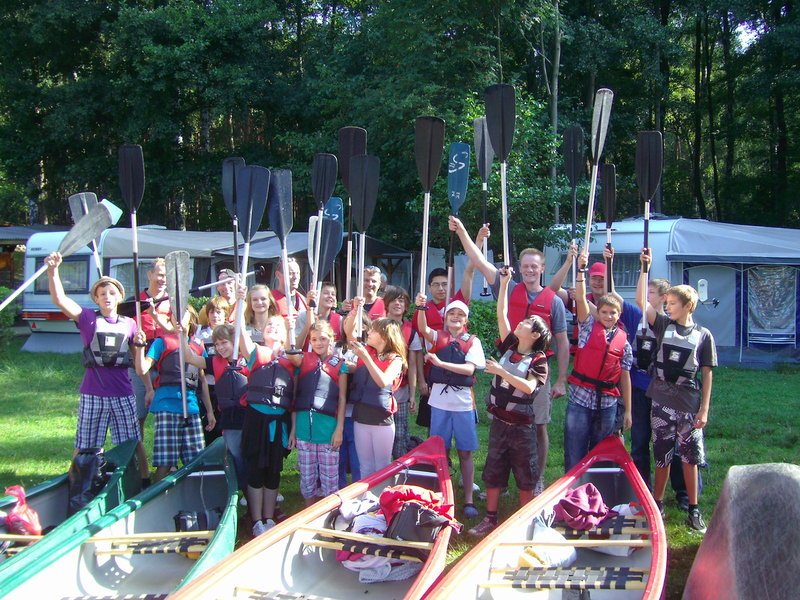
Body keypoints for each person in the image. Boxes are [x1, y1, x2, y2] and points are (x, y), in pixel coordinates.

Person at [450, 216, 568, 494]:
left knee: (538, 425)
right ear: (519, 268)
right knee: (502, 423)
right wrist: (463, 231)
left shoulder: (553, 301)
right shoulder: (508, 286)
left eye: (534, 266)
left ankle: (536, 479)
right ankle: (500, 482)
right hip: (509, 363)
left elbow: (563, 342)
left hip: (536, 370)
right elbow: (478, 260)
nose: (529, 270)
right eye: (525, 266)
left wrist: (562, 379)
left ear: (541, 269)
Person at [45, 252, 148, 484]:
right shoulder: (87, 318)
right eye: (102, 294)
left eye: (111, 293)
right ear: (96, 299)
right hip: (93, 394)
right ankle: (76, 485)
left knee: (132, 443)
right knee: (85, 444)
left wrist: (141, 347)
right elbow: (59, 299)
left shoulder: (131, 324)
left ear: (119, 297)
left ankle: (142, 481)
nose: (107, 297)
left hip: (123, 394)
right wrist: (53, 271)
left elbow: (140, 368)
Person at [639, 248, 717, 533]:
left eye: (672, 303)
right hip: (661, 401)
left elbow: (707, 374)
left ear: (688, 305)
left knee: (689, 457)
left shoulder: (704, 336)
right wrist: (645, 268)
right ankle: (657, 503)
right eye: (667, 302)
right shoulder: (662, 325)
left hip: (689, 405)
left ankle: (693, 509)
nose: (667, 306)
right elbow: (641, 301)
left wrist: (704, 410)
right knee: (661, 454)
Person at [469, 266, 551, 536]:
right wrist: (504, 284)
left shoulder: (539, 360)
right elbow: (501, 314)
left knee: (525, 475)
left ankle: (524, 523)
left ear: (535, 335)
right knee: (494, 470)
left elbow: (529, 387)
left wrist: (502, 372)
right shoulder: (510, 347)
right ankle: (490, 519)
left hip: (522, 428)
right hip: (499, 423)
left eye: (527, 323)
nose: (521, 323)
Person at [415, 294, 485, 519]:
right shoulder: (438, 336)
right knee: (440, 450)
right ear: (445, 318)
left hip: (463, 405)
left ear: (466, 320)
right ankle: (441, 493)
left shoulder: (472, 341)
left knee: (465, 451)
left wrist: (440, 363)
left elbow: (470, 369)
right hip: (439, 403)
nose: (455, 317)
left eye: (460, 314)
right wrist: (421, 308)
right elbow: (423, 328)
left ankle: (468, 498)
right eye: (452, 313)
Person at [564, 251, 633, 471]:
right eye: (604, 312)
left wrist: (628, 410)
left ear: (619, 315)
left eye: (613, 313)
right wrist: (581, 270)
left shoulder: (624, 343)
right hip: (581, 399)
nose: (608, 316)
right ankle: (572, 487)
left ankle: (597, 486)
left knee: (600, 453)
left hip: (607, 403)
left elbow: (625, 377)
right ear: (598, 312)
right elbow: (581, 299)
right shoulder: (586, 326)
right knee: (574, 450)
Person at [134, 306, 215, 483]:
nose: (178, 319)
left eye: (182, 314)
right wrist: (139, 347)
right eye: (175, 315)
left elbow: (202, 380)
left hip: (191, 407)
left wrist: (209, 411)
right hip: (167, 406)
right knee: (165, 461)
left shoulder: (198, 345)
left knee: (196, 461)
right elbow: (141, 369)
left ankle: (194, 497)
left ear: (191, 318)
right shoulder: (161, 342)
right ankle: (156, 495)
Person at [237, 311, 295, 536]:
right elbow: (241, 336)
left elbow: (295, 397)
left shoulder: (292, 358)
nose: (273, 327)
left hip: (279, 422)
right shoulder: (256, 352)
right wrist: (240, 305)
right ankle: (257, 520)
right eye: (269, 324)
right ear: (262, 332)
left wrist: (292, 430)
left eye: (278, 326)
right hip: (256, 420)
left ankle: (269, 518)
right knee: (256, 469)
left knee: (273, 470)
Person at [287, 320, 347, 506]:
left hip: (327, 432)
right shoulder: (303, 360)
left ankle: (330, 517)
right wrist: (293, 431)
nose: (318, 343)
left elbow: (342, 399)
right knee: (307, 480)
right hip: (304, 431)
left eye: (322, 338)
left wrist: (339, 429)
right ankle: (309, 514)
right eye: (314, 339)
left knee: (330, 482)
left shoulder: (340, 365)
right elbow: (290, 353)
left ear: (331, 339)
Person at [345, 309, 406, 477]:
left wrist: (365, 358)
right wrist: (355, 310)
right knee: (365, 466)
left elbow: (383, 381)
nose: (368, 332)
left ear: (384, 336)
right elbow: (349, 333)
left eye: (373, 330)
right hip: (361, 417)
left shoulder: (396, 360)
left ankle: (383, 494)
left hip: (381, 420)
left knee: (382, 466)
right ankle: (367, 494)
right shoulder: (367, 351)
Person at [202, 324, 249, 495]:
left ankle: (253, 489)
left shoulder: (248, 358)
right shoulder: (215, 362)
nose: (220, 347)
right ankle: (242, 489)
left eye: (224, 343)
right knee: (235, 454)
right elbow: (190, 358)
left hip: (250, 415)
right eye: (217, 344)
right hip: (230, 418)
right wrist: (183, 334)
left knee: (250, 454)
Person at [382, 285, 420, 458]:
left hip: (401, 389)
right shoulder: (378, 326)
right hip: (380, 388)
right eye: (394, 300)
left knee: (400, 433)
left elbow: (412, 365)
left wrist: (412, 395)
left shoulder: (411, 331)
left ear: (406, 306)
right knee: (381, 432)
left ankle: (400, 468)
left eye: (402, 300)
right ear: (387, 303)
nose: (398, 303)